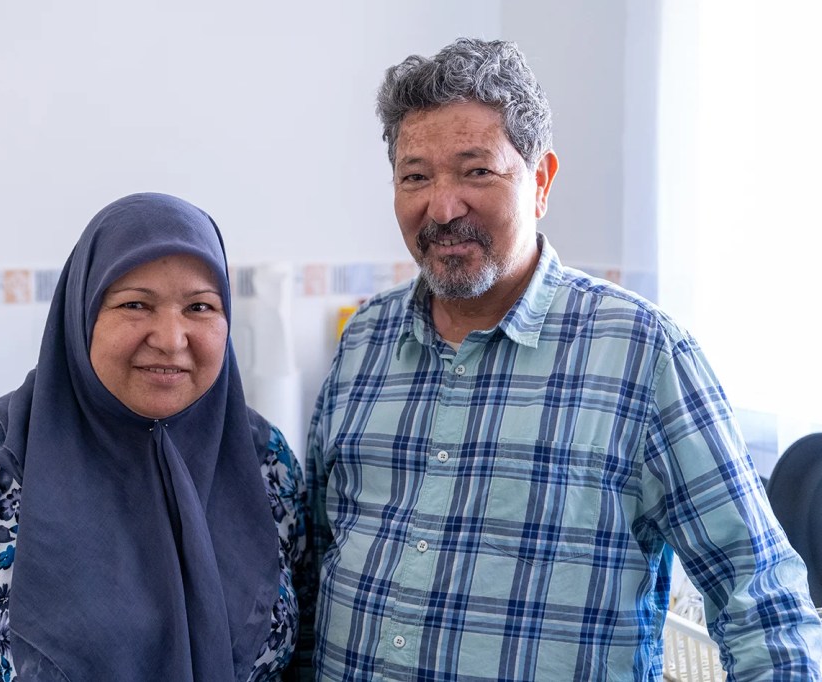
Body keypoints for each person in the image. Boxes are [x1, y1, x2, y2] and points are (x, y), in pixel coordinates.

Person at [304, 38, 822, 680]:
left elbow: (762, 602)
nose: (442, 206)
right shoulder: (364, 340)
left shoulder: (643, 353)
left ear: (541, 181)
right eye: (416, 176)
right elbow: (315, 564)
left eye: (476, 171)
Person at [0, 193, 312, 681]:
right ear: (83, 312)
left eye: (199, 306)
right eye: (135, 304)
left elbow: (306, 654)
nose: (170, 338)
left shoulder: (265, 463)